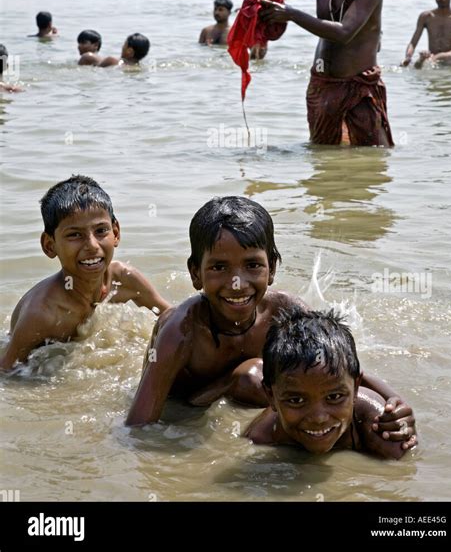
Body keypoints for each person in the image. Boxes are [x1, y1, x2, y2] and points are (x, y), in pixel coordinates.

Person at [125, 195, 417, 452]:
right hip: (188, 405)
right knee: (251, 376)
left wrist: (395, 403)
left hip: (251, 388)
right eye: (218, 267)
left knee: (272, 380)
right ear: (195, 273)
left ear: (273, 268)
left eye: (252, 265)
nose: (237, 283)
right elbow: (139, 425)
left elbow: (338, 368)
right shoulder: (181, 330)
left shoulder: (286, 310)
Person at [0, 175, 170, 372]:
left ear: (116, 233)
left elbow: (173, 318)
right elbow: (8, 371)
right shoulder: (42, 313)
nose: (91, 245)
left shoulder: (124, 279)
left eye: (101, 231)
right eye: (74, 235)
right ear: (49, 245)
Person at [258, 0, 393, 146]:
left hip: (358, 89)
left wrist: (292, 15)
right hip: (321, 88)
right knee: (323, 155)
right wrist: (256, 4)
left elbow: (344, 33)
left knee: (370, 158)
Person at [245, 304, 414, 459]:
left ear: (356, 388)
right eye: (296, 400)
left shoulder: (374, 421)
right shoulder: (261, 438)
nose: (319, 418)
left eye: (334, 397)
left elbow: (406, 462)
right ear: (271, 397)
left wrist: (403, 422)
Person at [78, 33, 150, 67]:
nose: (122, 47)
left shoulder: (112, 60)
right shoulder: (140, 67)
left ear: (129, 51)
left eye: (124, 45)